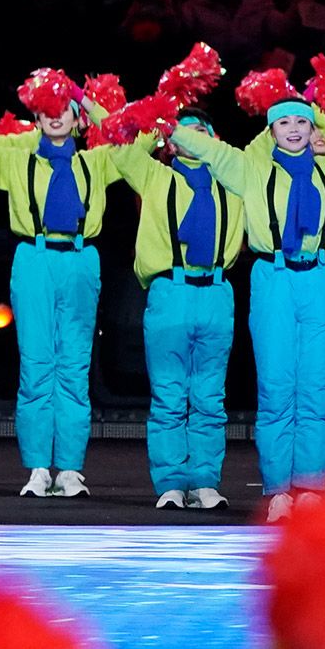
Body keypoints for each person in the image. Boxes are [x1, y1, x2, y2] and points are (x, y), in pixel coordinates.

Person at [171, 101, 325, 520]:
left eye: (300, 122)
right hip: (274, 279)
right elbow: (202, 146)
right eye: (283, 122)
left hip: (321, 279)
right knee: (276, 389)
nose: (292, 129)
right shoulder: (250, 168)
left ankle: (310, 486)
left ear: (312, 128)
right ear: (271, 130)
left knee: (315, 389)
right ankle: (277, 491)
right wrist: (153, 119)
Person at [0, 71, 122, 499]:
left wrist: (81, 94)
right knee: (37, 366)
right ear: (36, 117)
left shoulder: (97, 160)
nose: (56, 116)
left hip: (80, 259)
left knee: (74, 369)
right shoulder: (15, 158)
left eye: (65, 109)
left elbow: (130, 135)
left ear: (78, 118)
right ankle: (39, 467)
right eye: (48, 109)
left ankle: (72, 469)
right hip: (34, 259)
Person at [112, 108, 245, 510]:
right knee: (169, 393)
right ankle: (171, 481)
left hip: (216, 291)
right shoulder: (156, 177)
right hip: (171, 291)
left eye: (200, 131)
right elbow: (121, 149)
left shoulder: (234, 181)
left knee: (209, 394)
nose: (190, 138)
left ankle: (205, 480)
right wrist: (157, 124)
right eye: (181, 133)